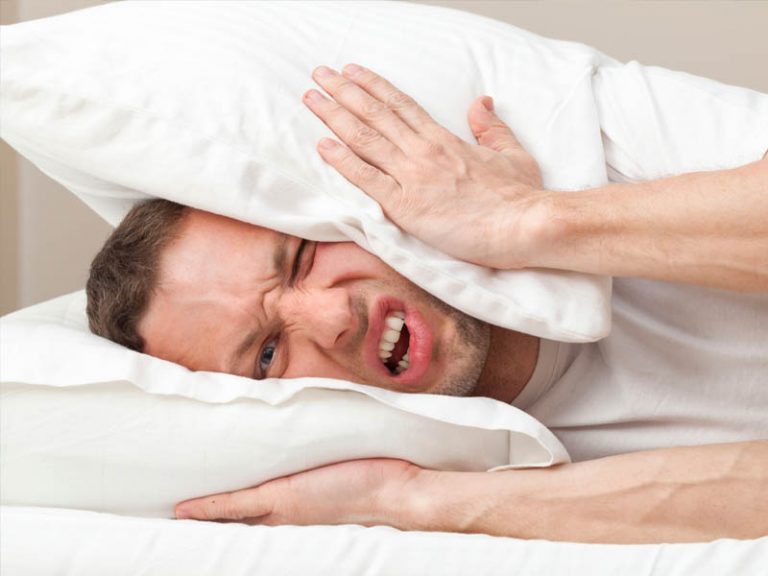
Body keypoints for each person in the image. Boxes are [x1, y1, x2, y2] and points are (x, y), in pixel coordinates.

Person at [86, 65, 768, 543]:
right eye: (266, 355)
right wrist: (406, 500)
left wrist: (530, 221)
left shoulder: (586, 140)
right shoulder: (485, 492)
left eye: (299, 260)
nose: (332, 319)